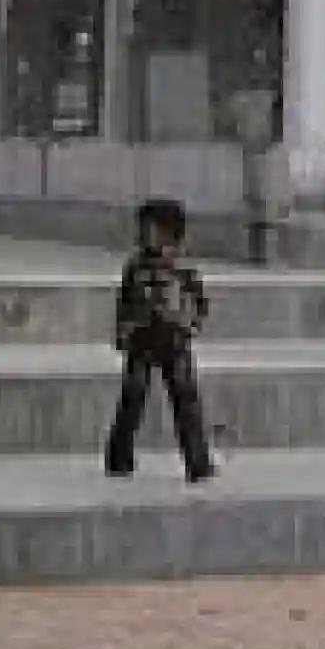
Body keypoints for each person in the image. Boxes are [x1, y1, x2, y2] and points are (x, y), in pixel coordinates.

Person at [104, 197, 216, 482]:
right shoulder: (135, 266)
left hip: (174, 341)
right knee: (132, 399)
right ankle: (119, 457)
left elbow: (200, 303)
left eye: (153, 231)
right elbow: (124, 301)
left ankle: (198, 463)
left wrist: (191, 324)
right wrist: (122, 331)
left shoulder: (183, 269)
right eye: (144, 230)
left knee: (186, 401)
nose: (146, 237)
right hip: (141, 340)